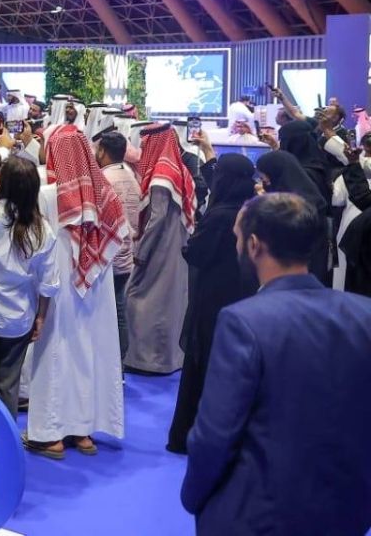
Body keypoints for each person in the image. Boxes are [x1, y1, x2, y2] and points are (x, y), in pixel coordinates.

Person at [181, 193, 371, 536]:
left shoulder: (243, 322)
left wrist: (193, 498)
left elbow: (214, 435)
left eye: (238, 237)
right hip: (345, 511)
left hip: (257, 516)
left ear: (254, 245)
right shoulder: (363, 315)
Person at [25, 127, 128, 459]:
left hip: (58, 284)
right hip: (95, 286)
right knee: (89, 351)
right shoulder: (104, 192)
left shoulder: (46, 194)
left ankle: (50, 436)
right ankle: (84, 431)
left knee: (54, 353)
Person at [166, 153, 258, 454]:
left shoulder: (221, 216)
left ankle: (193, 435)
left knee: (204, 365)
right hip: (242, 297)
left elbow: (197, 252)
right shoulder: (250, 210)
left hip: (214, 298)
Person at [0, 156, 57, 418]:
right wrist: (41, 318)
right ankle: (5, 438)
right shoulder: (42, 229)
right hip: (19, 318)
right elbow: (48, 283)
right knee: (8, 387)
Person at [126, 123, 195, 375]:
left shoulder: (161, 176)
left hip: (160, 247)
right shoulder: (176, 168)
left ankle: (148, 360)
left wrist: (140, 252)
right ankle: (168, 357)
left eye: (146, 143)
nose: (143, 148)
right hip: (175, 245)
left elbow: (156, 218)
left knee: (145, 301)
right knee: (169, 302)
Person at [94, 130, 141, 362]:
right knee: (119, 311)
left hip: (107, 257)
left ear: (102, 151)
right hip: (126, 256)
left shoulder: (102, 179)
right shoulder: (131, 175)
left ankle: (106, 364)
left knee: (102, 313)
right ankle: (118, 363)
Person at [254, 150, 330, 281]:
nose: (264, 181)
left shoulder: (295, 208)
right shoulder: (308, 197)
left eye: (264, 177)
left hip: (295, 274)